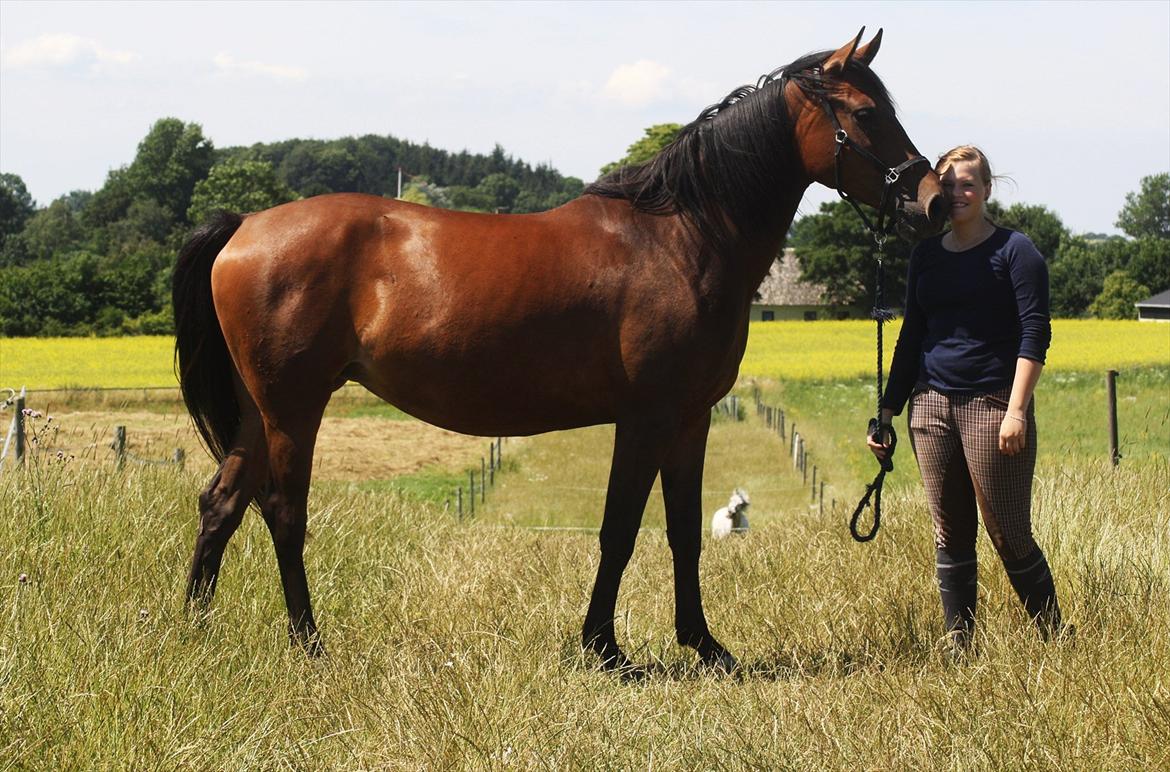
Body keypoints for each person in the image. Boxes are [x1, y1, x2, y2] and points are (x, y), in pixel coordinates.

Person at [868, 145, 1068, 658]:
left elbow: (1035, 334)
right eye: (949, 184)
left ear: (986, 190)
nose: (957, 194)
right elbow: (912, 336)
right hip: (930, 408)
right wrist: (887, 411)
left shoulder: (1015, 251)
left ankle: (1058, 642)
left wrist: (1017, 410)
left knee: (1008, 532)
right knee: (950, 531)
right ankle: (961, 647)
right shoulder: (927, 256)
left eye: (968, 185)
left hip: (992, 405)